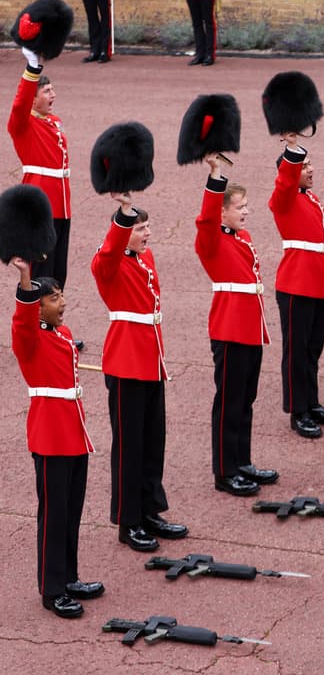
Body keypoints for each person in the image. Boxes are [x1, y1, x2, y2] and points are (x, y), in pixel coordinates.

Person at [91, 195, 188, 552]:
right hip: (126, 361)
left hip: (149, 358)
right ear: (123, 232)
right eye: (141, 228)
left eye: (147, 226)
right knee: (129, 446)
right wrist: (124, 214)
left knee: (152, 441)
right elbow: (108, 254)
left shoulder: (143, 259)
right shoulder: (109, 264)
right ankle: (128, 521)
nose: (147, 234)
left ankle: (149, 510)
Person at [11, 258, 101, 619]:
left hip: (73, 432)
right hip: (50, 435)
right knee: (53, 515)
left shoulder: (62, 334)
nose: (62, 303)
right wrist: (25, 280)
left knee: (71, 511)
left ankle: (69, 577)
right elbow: (22, 321)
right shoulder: (29, 339)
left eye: (61, 295)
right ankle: (52, 590)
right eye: (54, 299)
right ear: (39, 306)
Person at [195, 154, 273, 496]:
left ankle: (242, 461)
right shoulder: (212, 240)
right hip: (229, 328)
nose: (245, 211)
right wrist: (216, 175)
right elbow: (205, 218)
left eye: (245, 205)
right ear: (222, 211)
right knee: (229, 402)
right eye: (239, 206)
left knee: (245, 398)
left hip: (249, 326)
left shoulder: (242, 238)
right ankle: (225, 471)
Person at [269, 135, 324, 438]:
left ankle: (311, 403)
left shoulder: (310, 198)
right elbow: (285, 181)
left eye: (310, 165)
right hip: (295, 285)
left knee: (313, 349)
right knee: (296, 352)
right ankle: (297, 411)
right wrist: (292, 150)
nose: (311, 170)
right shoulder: (283, 199)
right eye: (305, 167)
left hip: (317, 284)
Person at [9, 52, 71, 287]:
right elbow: (19, 104)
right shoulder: (23, 124)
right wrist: (33, 68)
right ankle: (36, 321)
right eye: (46, 92)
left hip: (62, 205)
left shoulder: (53, 121)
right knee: (42, 273)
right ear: (33, 100)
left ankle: (52, 321)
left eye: (52, 90)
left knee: (58, 272)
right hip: (41, 205)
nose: (53, 95)